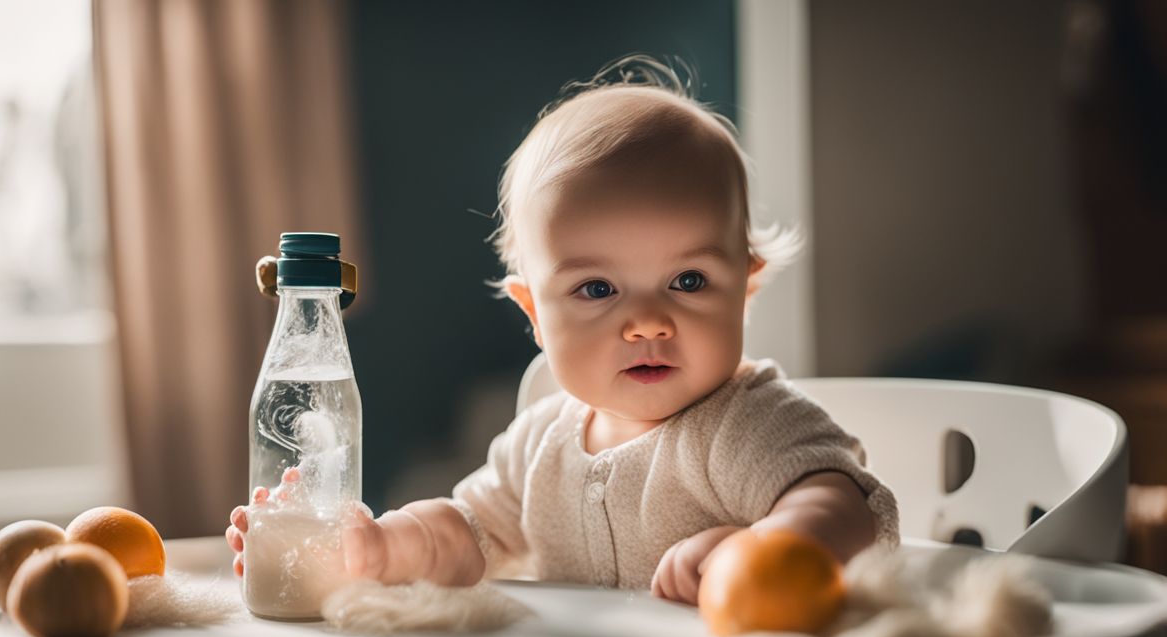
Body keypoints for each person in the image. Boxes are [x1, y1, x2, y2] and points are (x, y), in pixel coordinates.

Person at [227, 55, 898, 606]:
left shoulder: (747, 423)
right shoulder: (539, 441)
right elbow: (467, 533)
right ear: (534, 315)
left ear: (745, 288)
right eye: (597, 289)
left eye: (688, 281)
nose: (646, 323)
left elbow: (842, 505)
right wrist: (380, 547)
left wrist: (766, 549)